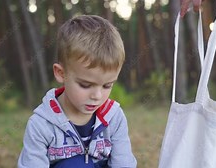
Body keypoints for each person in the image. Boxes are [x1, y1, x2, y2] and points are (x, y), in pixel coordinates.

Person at [17, 15, 137, 168]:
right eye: (85, 85)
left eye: (107, 86)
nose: (97, 96)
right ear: (61, 73)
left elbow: (123, 164)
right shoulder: (41, 124)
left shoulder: (114, 118)